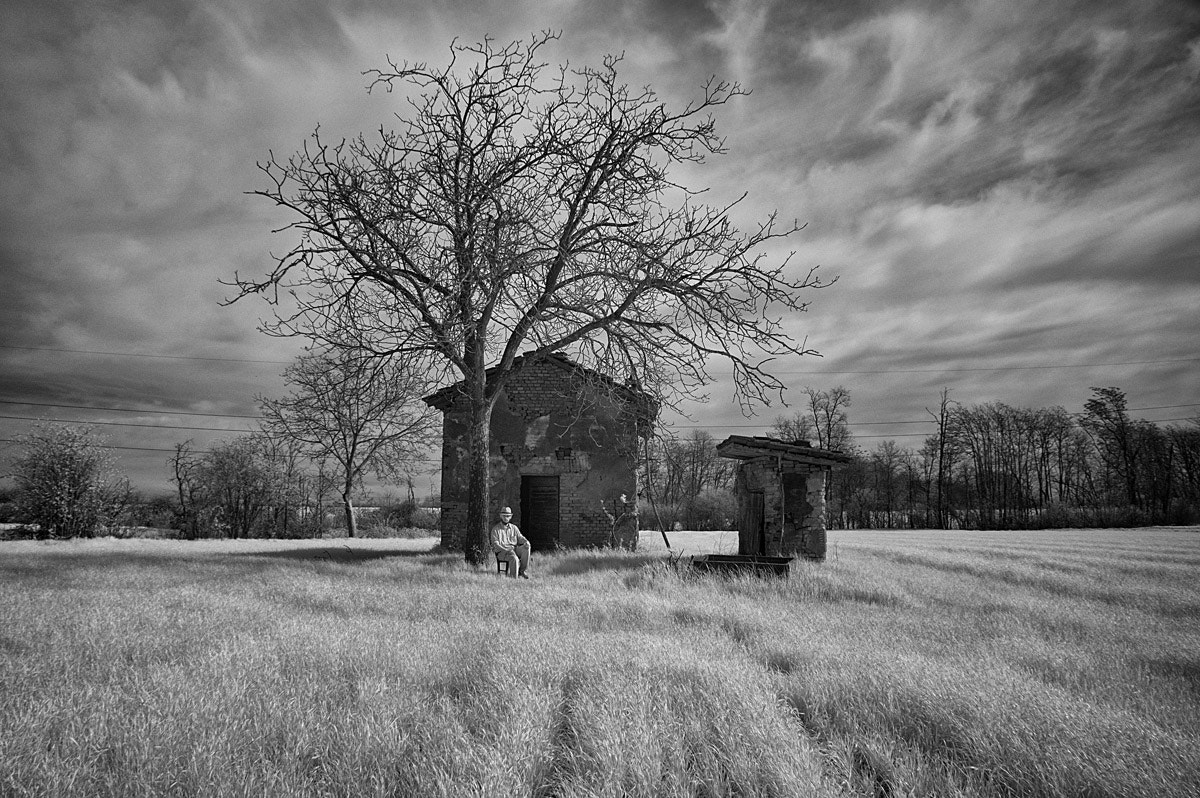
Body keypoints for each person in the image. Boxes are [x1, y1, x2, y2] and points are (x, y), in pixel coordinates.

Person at [490, 506, 531, 579]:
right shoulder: (495, 529)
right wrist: (506, 550)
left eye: (508, 516)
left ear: (510, 517)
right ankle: (513, 578)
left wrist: (526, 542)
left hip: (514, 549)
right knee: (514, 558)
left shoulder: (514, 528)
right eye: (504, 516)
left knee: (526, 548)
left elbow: (520, 538)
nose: (506, 517)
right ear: (501, 516)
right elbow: (496, 545)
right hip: (502, 552)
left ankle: (522, 572)